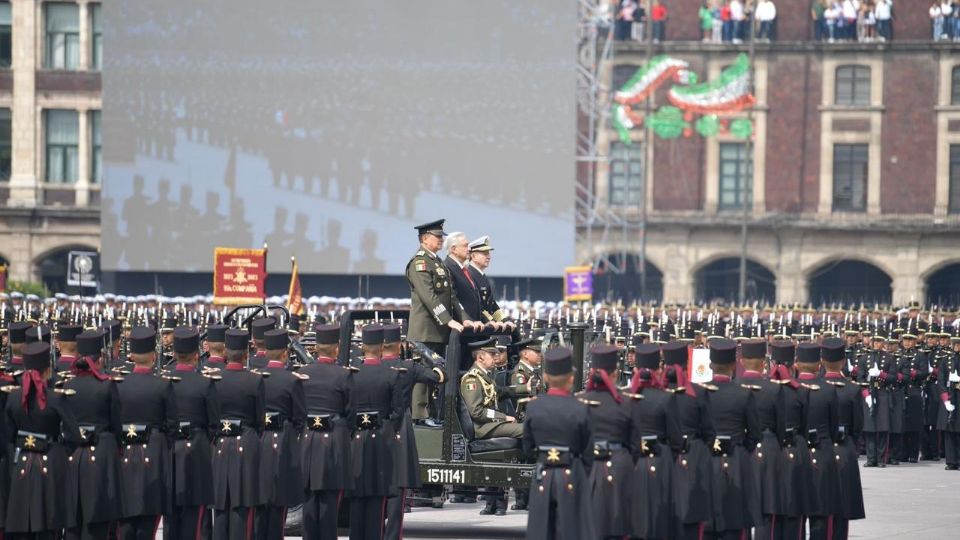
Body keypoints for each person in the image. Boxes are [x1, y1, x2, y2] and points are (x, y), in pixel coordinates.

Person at [4, 341, 82, 540]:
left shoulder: (13, 397)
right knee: (50, 527)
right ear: (48, 370)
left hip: (23, 461)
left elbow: (8, 434)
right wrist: (61, 453)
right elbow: (74, 435)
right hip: (52, 461)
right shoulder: (56, 398)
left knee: (23, 524)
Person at [406, 219, 481, 425]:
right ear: (424, 239)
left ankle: (429, 413)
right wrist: (448, 321)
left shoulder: (437, 262)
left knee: (436, 372)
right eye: (437, 237)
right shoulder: (419, 263)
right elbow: (429, 297)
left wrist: (465, 319)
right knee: (424, 372)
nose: (441, 240)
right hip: (425, 329)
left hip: (437, 329)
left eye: (441, 237)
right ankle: (419, 415)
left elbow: (451, 297)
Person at [522, 348, 596, 540]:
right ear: (571, 377)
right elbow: (588, 451)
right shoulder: (581, 407)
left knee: (541, 529)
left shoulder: (534, 406)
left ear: (546, 377)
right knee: (572, 529)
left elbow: (527, 447)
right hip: (572, 471)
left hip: (543, 473)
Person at [380, 325, 444, 539]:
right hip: (400, 429)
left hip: (375, 429)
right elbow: (440, 375)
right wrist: (427, 353)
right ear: (399, 345)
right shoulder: (408, 367)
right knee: (398, 486)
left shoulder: (368, 368)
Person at [116, 326, 178, 540]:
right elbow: (172, 425)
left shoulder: (118, 384)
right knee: (147, 525)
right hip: (154, 454)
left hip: (124, 454)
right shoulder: (162, 385)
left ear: (131, 355)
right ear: (154, 355)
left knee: (124, 524)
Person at [64, 330, 124, 540]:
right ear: (99, 359)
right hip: (101, 455)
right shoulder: (107, 385)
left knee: (73, 520)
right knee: (96, 522)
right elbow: (116, 425)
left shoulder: (67, 385)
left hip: (72, 456)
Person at [460, 337, 529, 515]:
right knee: (526, 430)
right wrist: (502, 417)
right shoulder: (472, 379)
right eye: (491, 354)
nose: (496, 356)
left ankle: (496, 504)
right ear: (480, 357)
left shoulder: (485, 376)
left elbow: (502, 391)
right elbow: (477, 412)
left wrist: (525, 388)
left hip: (490, 425)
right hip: (484, 428)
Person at [298, 324, 354, 539]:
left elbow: (297, 410)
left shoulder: (302, 374)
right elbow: (351, 413)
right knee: (330, 506)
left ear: (315, 348)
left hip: (307, 443)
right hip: (334, 445)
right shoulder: (344, 375)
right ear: (337, 348)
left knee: (309, 504)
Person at [347, 325, 402, 540]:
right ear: (381, 347)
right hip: (380, 441)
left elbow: (347, 410)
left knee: (356, 501)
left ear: (362, 348)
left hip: (356, 442)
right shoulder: (391, 375)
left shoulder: (352, 375)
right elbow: (397, 412)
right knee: (377, 501)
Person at [212, 328, 266, 540]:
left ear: (225, 352)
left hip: (220, 444)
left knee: (221, 508)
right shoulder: (255, 380)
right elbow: (260, 420)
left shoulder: (213, 379)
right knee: (242, 509)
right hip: (246, 441)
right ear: (246, 354)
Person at [704, 338, 760, 540]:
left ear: (711, 365)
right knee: (737, 523)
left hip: (708, 460)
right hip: (736, 459)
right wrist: (741, 449)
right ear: (733, 366)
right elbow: (754, 433)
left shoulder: (700, 392)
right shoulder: (744, 394)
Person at [628, 344, 683, 540]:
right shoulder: (666, 398)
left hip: (632, 463)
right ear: (658, 370)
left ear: (635, 369)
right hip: (661, 460)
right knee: (661, 517)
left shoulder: (626, 397)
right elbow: (676, 439)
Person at [660, 341, 714, 540]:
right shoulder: (698, 394)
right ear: (686, 364)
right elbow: (709, 433)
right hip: (693, 460)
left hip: (661, 461)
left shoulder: (657, 394)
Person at [258, 329, 307, 540]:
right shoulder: (291, 380)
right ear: (285, 353)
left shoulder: (256, 378)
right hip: (283, 440)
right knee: (279, 503)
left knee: (261, 503)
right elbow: (300, 417)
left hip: (260, 441)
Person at [582, 345, 633, 540]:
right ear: (616, 373)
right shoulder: (627, 401)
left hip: (589, 466)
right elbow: (634, 442)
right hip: (620, 465)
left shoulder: (580, 400)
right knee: (619, 525)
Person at [821, 337, 866, 538]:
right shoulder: (852, 389)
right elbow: (858, 426)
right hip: (844, 447)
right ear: (842, 362)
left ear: (822, 361)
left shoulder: (815, 387)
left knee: (819, 508)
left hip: (820, 448)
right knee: (842, 510)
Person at [796, 342, 841, 540]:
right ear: (818, 365)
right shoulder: (829, 390)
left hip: (796, 453)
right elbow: (834, 426)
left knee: (797, 514)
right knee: (821, 511)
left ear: (797, 364)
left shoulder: (790, 388)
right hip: (822, 451)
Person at [444, 232, 482, 323]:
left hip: (474, 326)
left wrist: (489, 320)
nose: (469, 249)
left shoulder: (464, 270)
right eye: (465, 246)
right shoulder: (447, 268)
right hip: (461, 326)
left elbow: (476, 302)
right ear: (453, 249)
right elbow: (452, 299)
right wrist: (466, 319)